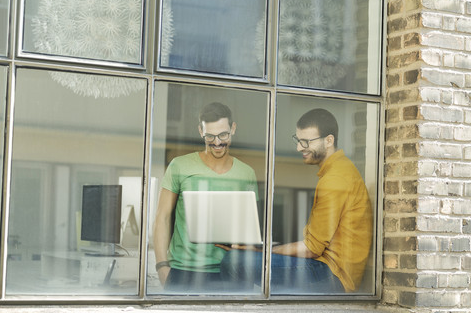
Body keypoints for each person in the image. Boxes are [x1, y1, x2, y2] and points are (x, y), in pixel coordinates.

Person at [219, 108, 372, 294]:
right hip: (325, 267)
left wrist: (259, 251)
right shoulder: (338, 171)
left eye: (306, 141)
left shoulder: (336, 179)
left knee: (235, 261)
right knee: (244, 258)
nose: (299, 148)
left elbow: (311, 249)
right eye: (298, 140)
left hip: (333, 275)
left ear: (329, 140)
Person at [153, 102, 258, 293]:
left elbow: (250, 227)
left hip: (232, 271)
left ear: (233, 129)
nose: (217, 142)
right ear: (201, 131)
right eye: (210, 136)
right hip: (183, 271)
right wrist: (162, 267)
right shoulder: (179, 166)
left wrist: (241, 242)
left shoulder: (246, 173)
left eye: (223, 135)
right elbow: (162, 218)